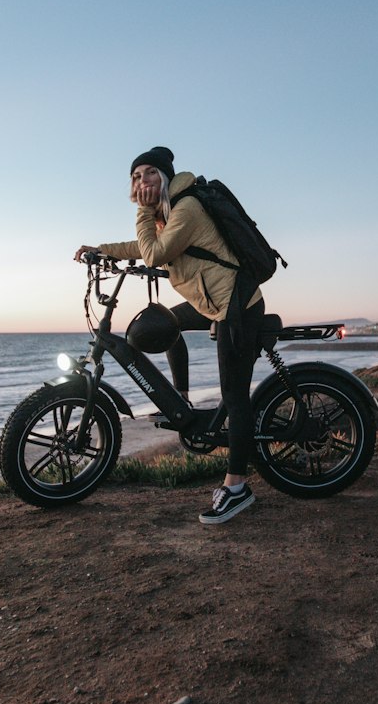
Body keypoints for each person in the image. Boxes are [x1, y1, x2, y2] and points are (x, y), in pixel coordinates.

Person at [74, 147, 265, 525]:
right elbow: (144, 247)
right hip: (213, 302)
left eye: (148, 174)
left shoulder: (186, 208)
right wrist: (102, 250)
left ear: (164, 176)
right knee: (166, 325)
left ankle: (237, 487)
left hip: (236, 308)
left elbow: (154, 253)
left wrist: (143, 213)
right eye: (135, 176)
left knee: (235, 396)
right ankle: (180, 400)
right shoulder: (169, 211)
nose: (141, 181)